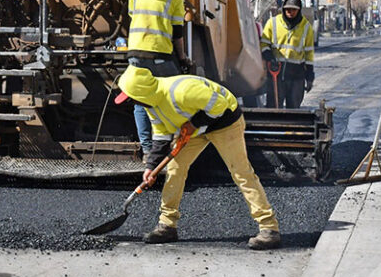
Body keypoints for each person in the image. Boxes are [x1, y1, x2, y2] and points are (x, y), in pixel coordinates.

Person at [114, 65, 281, 250]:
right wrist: (151, 167)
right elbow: (160, 136)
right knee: (175, 170)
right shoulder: (151, 105)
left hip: (225, 122)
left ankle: (269, 228)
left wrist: (194, 124)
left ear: (142, 93)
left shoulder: (182, 91)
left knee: (240, 172)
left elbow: (219, 105)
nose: (133, 103)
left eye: (133, 98)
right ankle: (167, 225)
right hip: (194, 130)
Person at [126, 0, 189, 162]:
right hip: (161, 54)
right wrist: (182, 57)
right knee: (170, 97)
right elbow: (177, 31)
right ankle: (171, 145)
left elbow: (132, 17)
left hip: (136, 52)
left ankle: (147, 151)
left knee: (140, 101)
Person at [260, 0, 315, 108]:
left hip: (296, 75)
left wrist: (309, 77)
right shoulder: (273, 23)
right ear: (283, 9)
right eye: (287, 9)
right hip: (276, 73)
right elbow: (263, 44)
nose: (290, 12)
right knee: (273, 107)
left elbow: (309, 54)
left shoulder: (306, 27)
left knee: (293, 108)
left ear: (299, 10)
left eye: (293, 10)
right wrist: (270, 57)